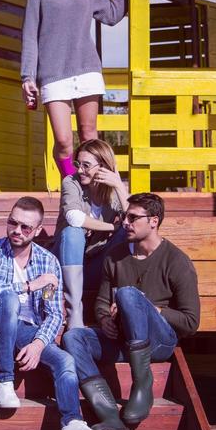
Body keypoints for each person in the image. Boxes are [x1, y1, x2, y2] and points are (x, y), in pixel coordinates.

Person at [63, 192, 200, 430]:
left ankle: (142, 387)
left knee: (128, 294)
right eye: (126, 216)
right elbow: (103, 303)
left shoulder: (177, 261)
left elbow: (191, 322)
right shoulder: (115, 256)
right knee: (73, 337)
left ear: (154, 221)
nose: (125, 222)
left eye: (133, 217)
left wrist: (151, 309)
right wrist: (105, 319)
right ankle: (110, 417)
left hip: (158, 342)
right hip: (123, 338)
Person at [0, 197, 103, 430]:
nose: (17, 231)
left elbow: (55, 314)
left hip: (28, 332)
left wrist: (39, 344)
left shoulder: (47, 262)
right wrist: (28, 285)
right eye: (13, 223)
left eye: (26, 228)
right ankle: (5, 380)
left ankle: (72, 423)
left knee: (65, 361)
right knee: (8, 299)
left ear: (38, 229)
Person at [19, 0, 127, 180]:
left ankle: (98, 189)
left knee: (90, 136)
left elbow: (111, 15)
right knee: (65, 142)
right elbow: (30, 36)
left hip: (86, 69)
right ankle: (72, 186)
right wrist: (27, 77)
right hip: (53, 74)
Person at [55, 138, 129, 331]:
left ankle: (119, 307)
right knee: (73, 233)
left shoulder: (113, 192)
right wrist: (112, 227)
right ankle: (74, 312)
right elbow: (74, 218)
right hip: (66, 266)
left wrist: (120, 187)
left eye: (86, 165)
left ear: (103, 166)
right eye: (78, 164)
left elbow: (134, 223)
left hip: (96, 265)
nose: (80, 170)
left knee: (126, 233)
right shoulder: (71, 182)